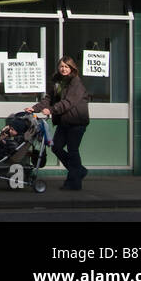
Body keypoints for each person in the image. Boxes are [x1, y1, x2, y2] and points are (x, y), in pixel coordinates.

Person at [28, 55, 90, 190]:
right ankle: (79, 170)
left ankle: (74, 183)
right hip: (64, 122)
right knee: (56, 147)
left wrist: (51, 110)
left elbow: (68, 103)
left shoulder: (76, 83)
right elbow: (48, 99)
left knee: (73, 150)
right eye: (61, 66)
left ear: (72, 68)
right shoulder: (57, 81)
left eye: (66, 66)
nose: (64, 69)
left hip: (76, 122)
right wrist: (34, 108)